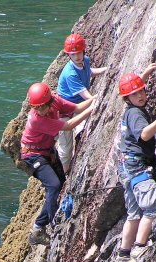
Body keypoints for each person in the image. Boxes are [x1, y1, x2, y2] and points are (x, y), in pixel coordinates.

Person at [21, 82, 95, 246]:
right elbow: (68, 126)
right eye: (36, 107)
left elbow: (75, 108)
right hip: (32, 155)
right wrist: (94, 108)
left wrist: (96, 99)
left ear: (49, 101)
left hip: (47, 150)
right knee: (53, 185)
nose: (39, 111)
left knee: (60, 183)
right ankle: (54, 223)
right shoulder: (36, 119)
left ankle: (38, 228)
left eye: (42, 107)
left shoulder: (55, 102)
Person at [113, 71, 156, 262]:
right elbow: (145, 134)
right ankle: (139, 246)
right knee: (154, 207)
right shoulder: (136, 114)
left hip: (127, 169)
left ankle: (123, 255)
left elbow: (134, 88)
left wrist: (145, 74)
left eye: (142, 91)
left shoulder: (130, 110)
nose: (140, 96)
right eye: (135, 94)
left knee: (134, 214)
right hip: (138, 167)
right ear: (127, 98)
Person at [57, 33, 107, 172]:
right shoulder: (70, 73)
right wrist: (99, 97)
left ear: (83, 51)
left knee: (82, 131)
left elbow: (89, 72)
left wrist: (106, 70)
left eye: (79, 52)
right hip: (65, 110)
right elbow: (86, 96)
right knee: (66, 148)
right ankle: (63, 174)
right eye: (73, 54)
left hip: (79, 106)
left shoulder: (85, 61)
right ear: (69, 56)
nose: (77, 57)